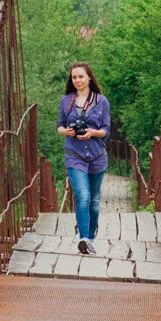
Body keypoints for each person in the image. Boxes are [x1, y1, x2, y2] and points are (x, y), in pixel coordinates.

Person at [57, 62, 111, 254]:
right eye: (74, 77)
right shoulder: (66, 101)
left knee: (94, 202)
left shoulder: (101, 101)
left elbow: (106, 130)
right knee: (83, 196)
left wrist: (93, 133)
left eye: (81, 76)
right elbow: (59, 127)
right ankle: (84, 239)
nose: (77, 80)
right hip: (75, 155)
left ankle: (91, 236)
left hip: (97, 155)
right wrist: (67, 132)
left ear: (89, 78)